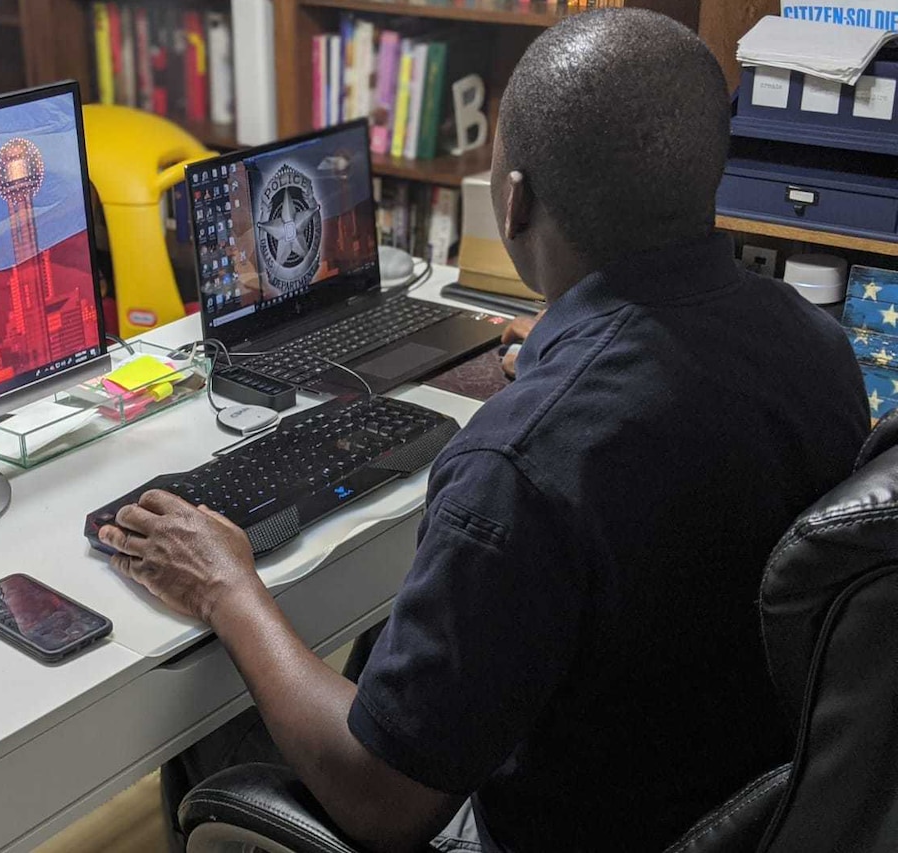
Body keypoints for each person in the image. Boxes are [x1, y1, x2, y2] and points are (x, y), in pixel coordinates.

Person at [97, 9, 870, 852]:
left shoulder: (520, 463)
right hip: (729, 799)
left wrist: (226, 588)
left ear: (515, 198)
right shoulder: (817, 346)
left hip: (545, 828)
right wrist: (570, 356)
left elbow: (384, 806)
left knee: (222, 728)